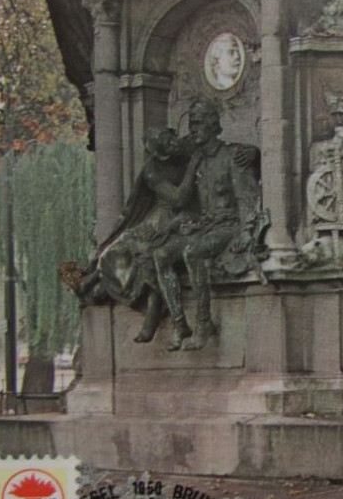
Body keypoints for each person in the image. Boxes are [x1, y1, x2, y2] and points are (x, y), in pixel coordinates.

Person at [153, 97, 260, 351]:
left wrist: (247, 230)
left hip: (229, 225)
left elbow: (247, 197)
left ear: (213, 125)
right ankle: (180, 325)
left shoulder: (234, 155)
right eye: (191, 123)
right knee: (160, 256)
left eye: (198, 123)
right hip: (206, 226)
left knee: (193, 252)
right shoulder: (196, 160)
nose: (193, 129)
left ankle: (203, 324)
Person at [79, 127, 200, 342]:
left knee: (147, 255)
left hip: (187, 216)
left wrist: (192, 162)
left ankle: (152, 315)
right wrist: (192, 167)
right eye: (165, 140)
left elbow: (184, 203)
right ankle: (96, 277)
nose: (172, 141)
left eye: (171, 136)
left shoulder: (189, 148)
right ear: (158, 151)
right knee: (115, 250)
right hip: (161, 215)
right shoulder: (152, 169)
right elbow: (176, 198)